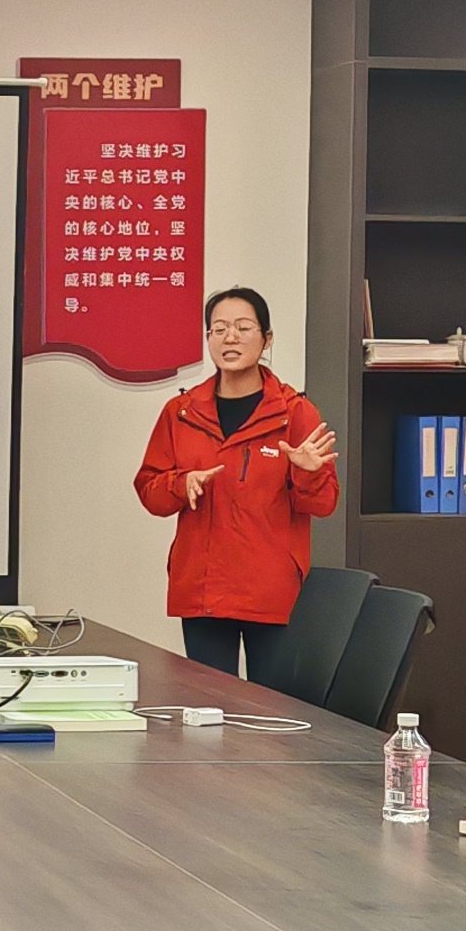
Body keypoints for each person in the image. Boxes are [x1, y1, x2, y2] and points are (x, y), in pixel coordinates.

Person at [133, 286, 340, 679]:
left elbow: (323, 504)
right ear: (208, 337)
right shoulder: (181, 412)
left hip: (271, 591)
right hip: (203, 590)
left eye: (244, 328)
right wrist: (182, 483)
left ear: (266, 339)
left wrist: (307, 472)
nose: (230, 337)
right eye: (219, 329)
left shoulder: (295, 412)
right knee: (209, 704)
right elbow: (150, 492)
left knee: (272, 709)